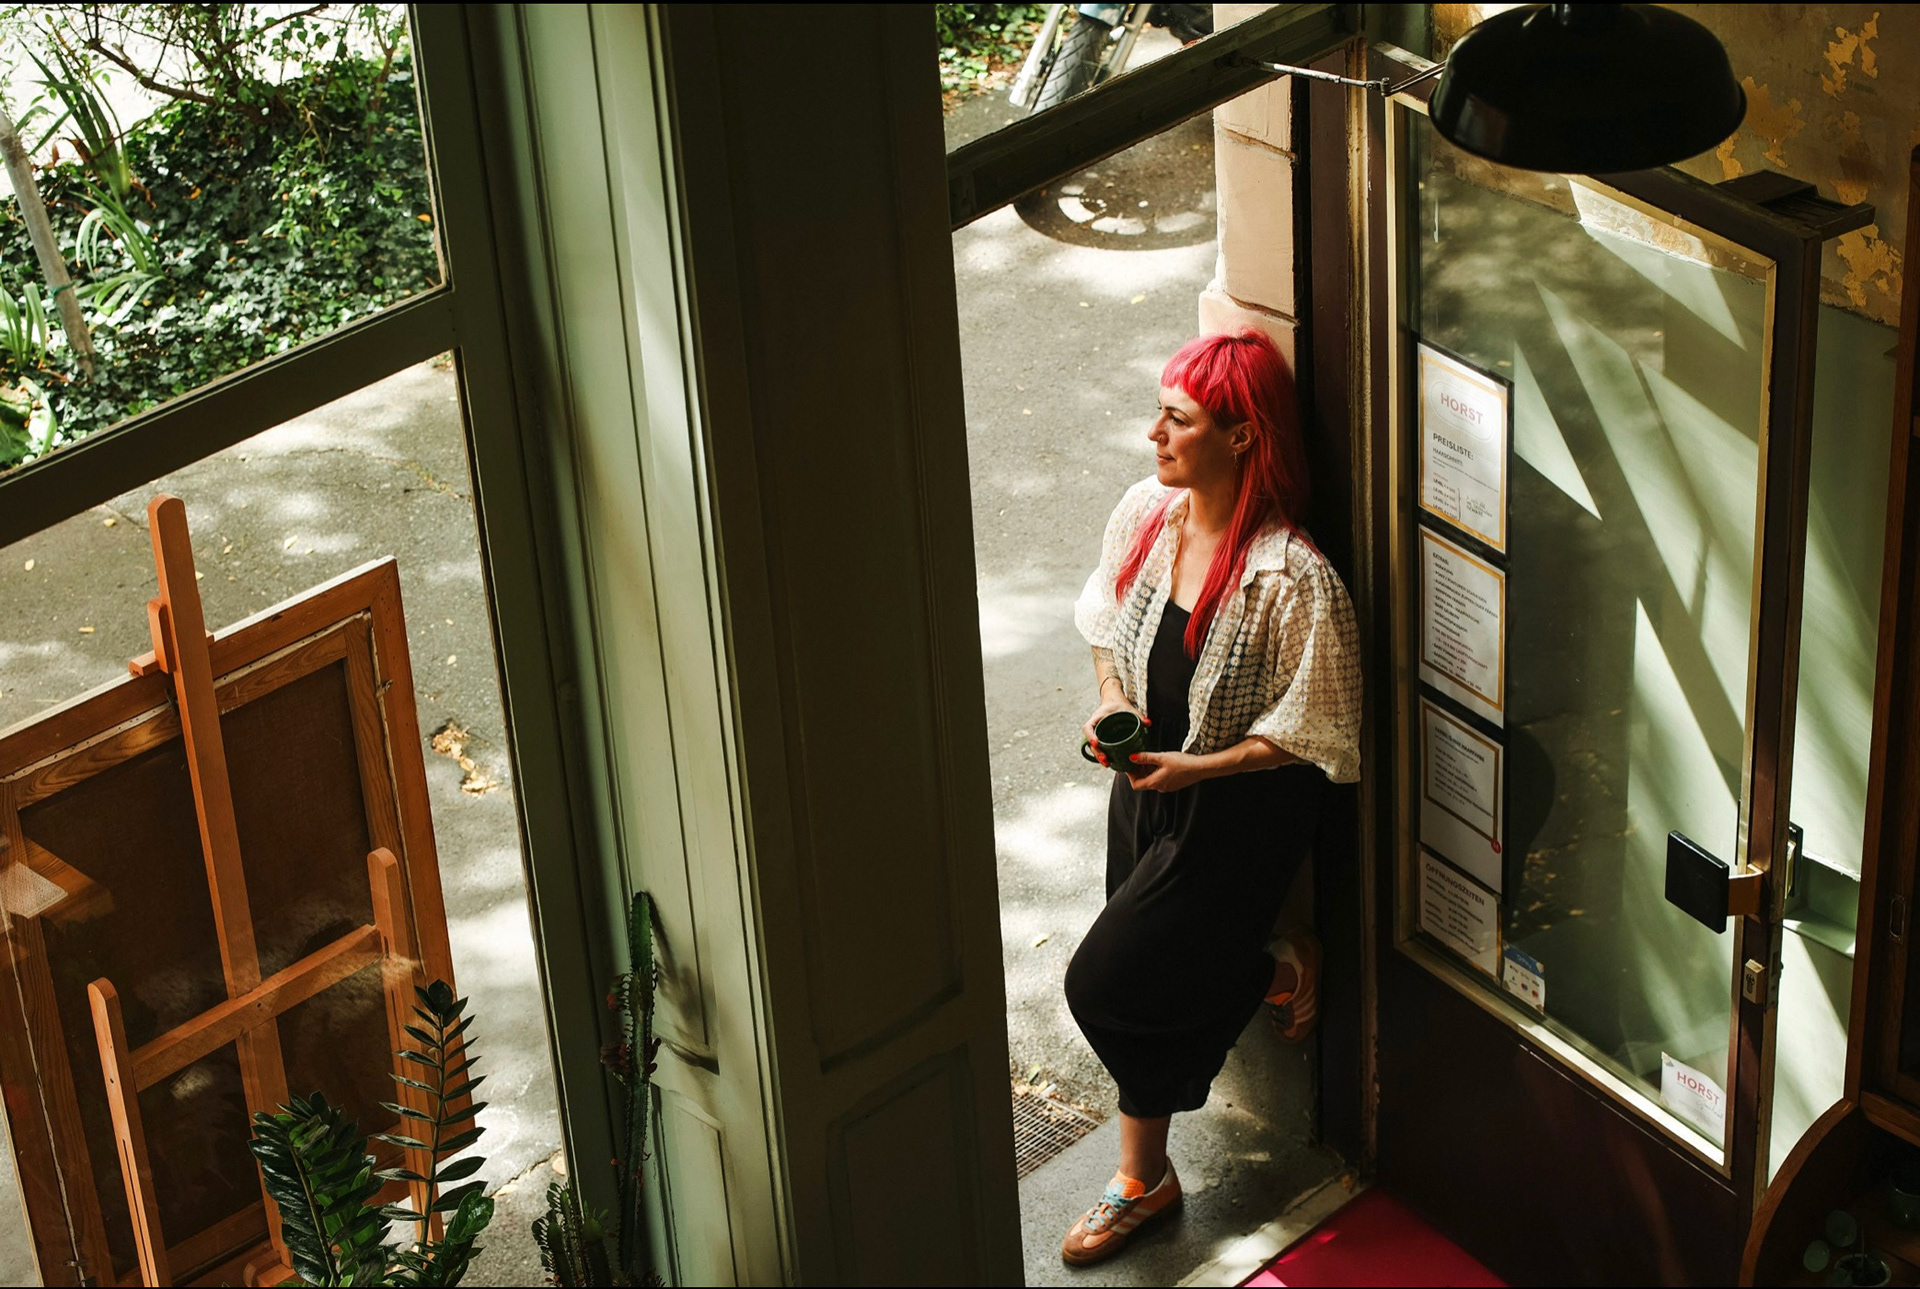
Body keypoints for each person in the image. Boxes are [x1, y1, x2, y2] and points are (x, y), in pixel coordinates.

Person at [1060, 329, 1361, 1268]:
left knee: (1103, 982)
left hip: (1235, 813)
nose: (1154, 434)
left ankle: (1277, 968)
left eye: (1177, 419)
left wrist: (1203, 768)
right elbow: (1106, 618)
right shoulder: (1151, 513)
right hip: (1149, 786)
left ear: (1241, 436)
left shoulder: (1288, 573)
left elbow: (1321, 726)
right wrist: (1111, 698)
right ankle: (1144, 1177)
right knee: (1146, 978)